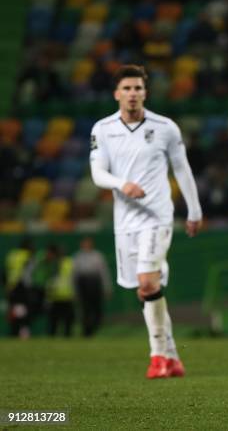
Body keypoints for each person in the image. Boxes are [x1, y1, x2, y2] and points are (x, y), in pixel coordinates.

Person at [89, 65, 203, 378]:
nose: (132, 94)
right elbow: (97, 172)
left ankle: (156, 357)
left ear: (145, 93)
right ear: (116, 94)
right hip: (124, 221)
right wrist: (120, 184)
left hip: (157, 216)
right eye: (126, 88)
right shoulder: (102, 129)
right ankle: (173, 357)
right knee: (144, 291)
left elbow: (182, 170)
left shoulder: (165, 127)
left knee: (147, 283)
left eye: (138, 88)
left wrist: (193, 211)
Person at [73, 236, 113, 337]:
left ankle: (95, 327)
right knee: (85, 309)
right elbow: (74, 274)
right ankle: (87, 331)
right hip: (83, 284)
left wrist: (107, 287)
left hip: (95, 283)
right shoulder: (77, 257)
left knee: (97, 309)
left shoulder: (98, 256)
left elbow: (104, 272)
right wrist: (75, 290)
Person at [3, 238, 35, 338]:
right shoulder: (27, 256)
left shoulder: (12, 255)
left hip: (11, 286)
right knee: (24, 310)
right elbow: (27, 273)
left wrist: (8, 285)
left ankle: (14, 331)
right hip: (22, 286)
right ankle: (23, 333)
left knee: (15, 309)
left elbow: (6, 270)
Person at [45, 246, 76, 337]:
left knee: (65, 320)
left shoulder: (65, 262)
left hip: (64, 295)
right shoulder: (67, 262)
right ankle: (56, 336)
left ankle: (64, 336)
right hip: (58, 296)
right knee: (56, 321)